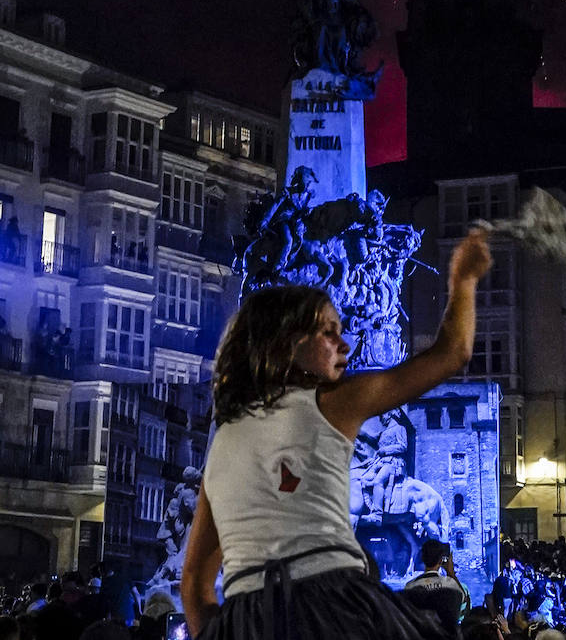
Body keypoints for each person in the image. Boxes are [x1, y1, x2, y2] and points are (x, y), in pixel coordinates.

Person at [181, 228, 492, 640]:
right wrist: (464, 280)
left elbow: (195, 583)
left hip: (246, 616)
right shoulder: (331, 402)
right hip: (333, 603)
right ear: (285, 344)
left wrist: (229, 630)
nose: (344, 344)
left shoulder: (223, 439)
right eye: (328, 332)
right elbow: (452, 353)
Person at [404, 541, 470, 635]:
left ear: (422, 558)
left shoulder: (410, 586)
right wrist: (450, 572)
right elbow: (463, 601)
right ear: (441, 560)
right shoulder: (451, 584)